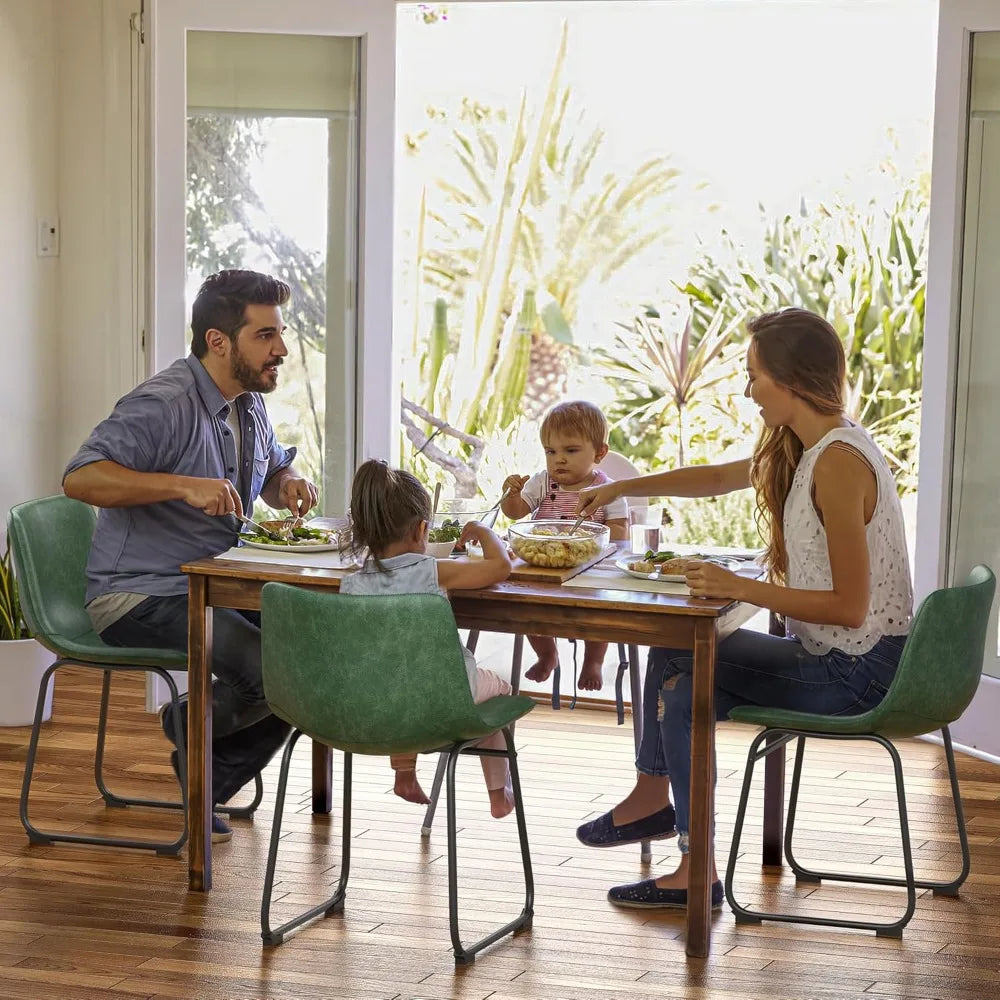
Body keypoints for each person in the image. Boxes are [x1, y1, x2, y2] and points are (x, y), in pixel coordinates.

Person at [573, 308, 913, 909]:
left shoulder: (837, 462)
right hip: (841, 658)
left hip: (858, 673)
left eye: (754, 376)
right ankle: (673, 832)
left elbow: (850, 607)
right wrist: (623, 486)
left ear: (792, 379)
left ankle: (677, 839)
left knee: (680, 677)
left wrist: (741, 586)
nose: (748, 390)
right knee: (679, 667)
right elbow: (717, 479)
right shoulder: (810, 445)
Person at [63, 269, 319, 843]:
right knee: (270, 675)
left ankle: (203, 764)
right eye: (265, 335)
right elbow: (81, 478)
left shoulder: (247, 403)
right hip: (140, 594)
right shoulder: (163, 403)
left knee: (310, 656)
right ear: (218, 341)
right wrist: (180, 485)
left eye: (280, 333)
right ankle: (192, 740)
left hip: (215, 585)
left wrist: (287, 483)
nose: (280, 349)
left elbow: (271, 469)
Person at [341, 459, 516, 818]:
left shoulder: (352, 584)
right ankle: (499, 793)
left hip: (378, 702)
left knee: (397, 676)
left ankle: (404, 773)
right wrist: (486, 532)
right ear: (422, 530)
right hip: (445, 696)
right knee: (501, 691)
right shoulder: (431, 571)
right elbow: (501, 567)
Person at [501, 400, 629, 691]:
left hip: (588, 570)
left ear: (599, 453)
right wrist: (511, 495)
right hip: (542, 567)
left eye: (570, 451)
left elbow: (619, 534)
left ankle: (593, 660)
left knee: (598, 612)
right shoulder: (542, 483)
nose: (559, 459)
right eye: (551, 451)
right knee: (528, 609)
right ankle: (547, 654)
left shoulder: (608, 489)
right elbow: (516, 513)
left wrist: (592, 540)